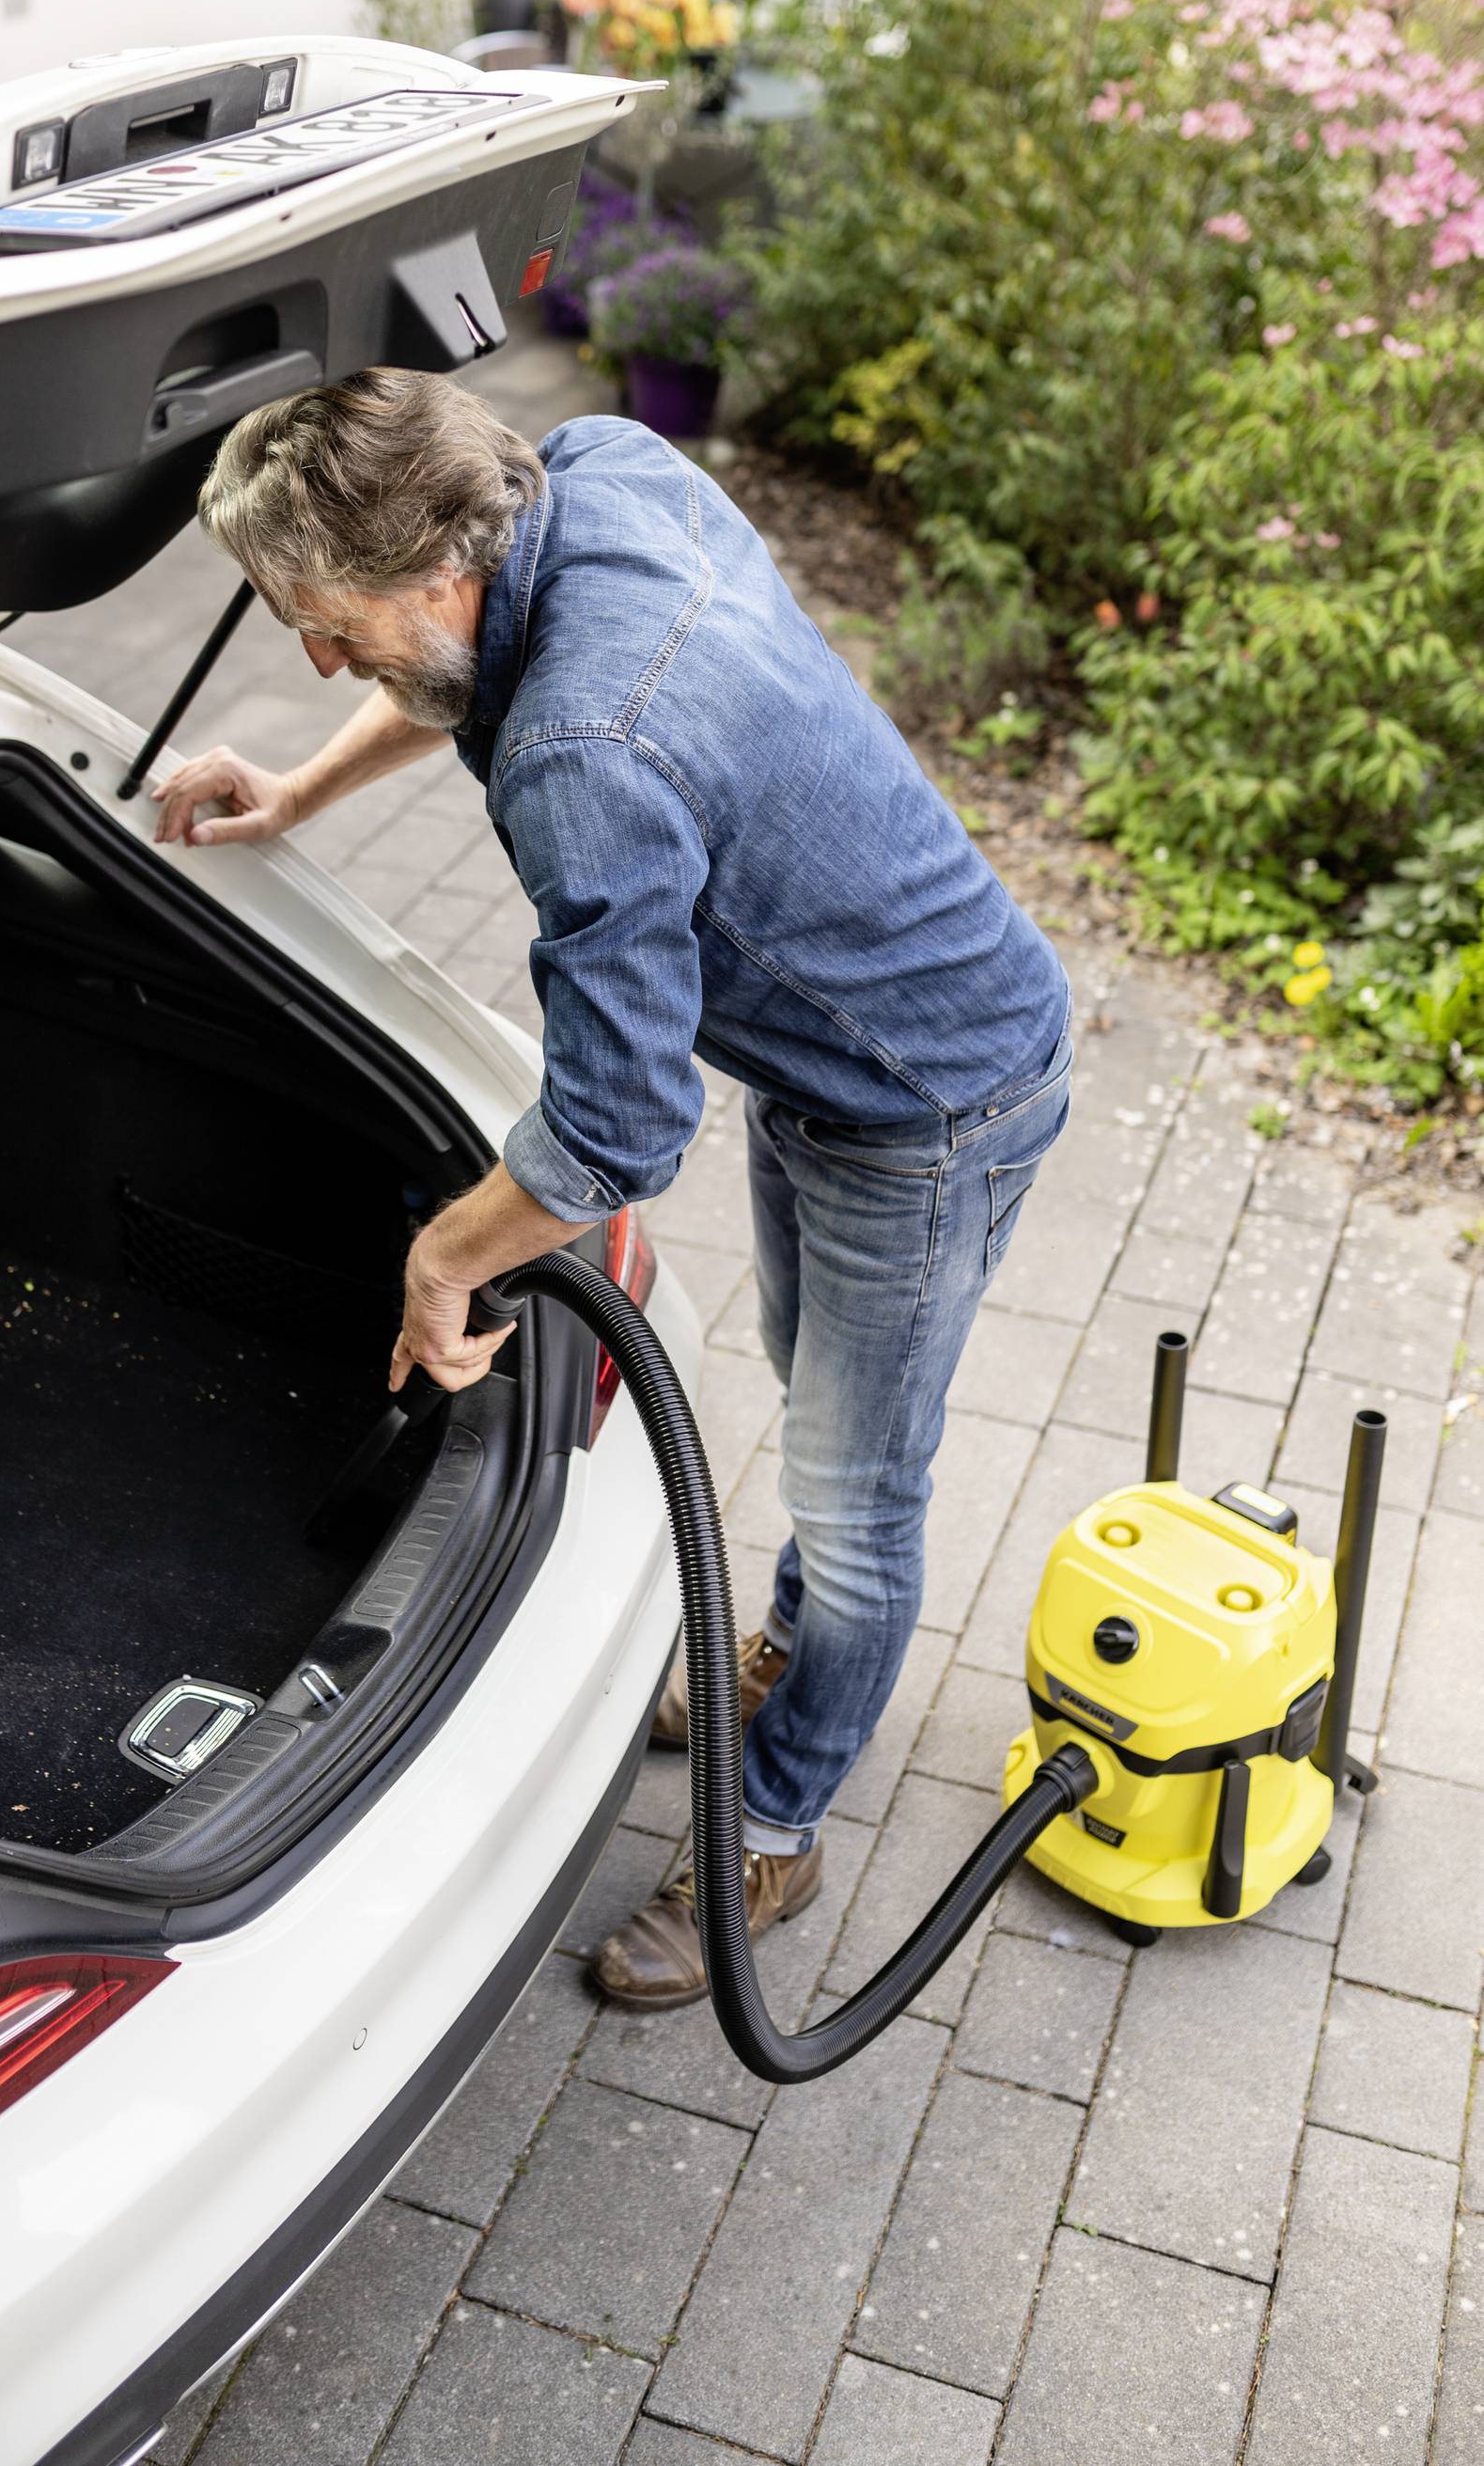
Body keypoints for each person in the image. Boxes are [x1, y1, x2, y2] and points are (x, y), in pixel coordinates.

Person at [151, 369, 1071, 2011]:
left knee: (861, 1504)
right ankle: (780, 1654)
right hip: (840, 1065)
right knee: (820, 1405)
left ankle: (772, 1821)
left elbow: (621, 1127)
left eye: (323, 619)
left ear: (439, 563)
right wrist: (298, 791)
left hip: (930, 1106)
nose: (314, 655)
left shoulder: (588, 750)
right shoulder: (587, 473)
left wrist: (444, 1259)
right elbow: (456, 676)